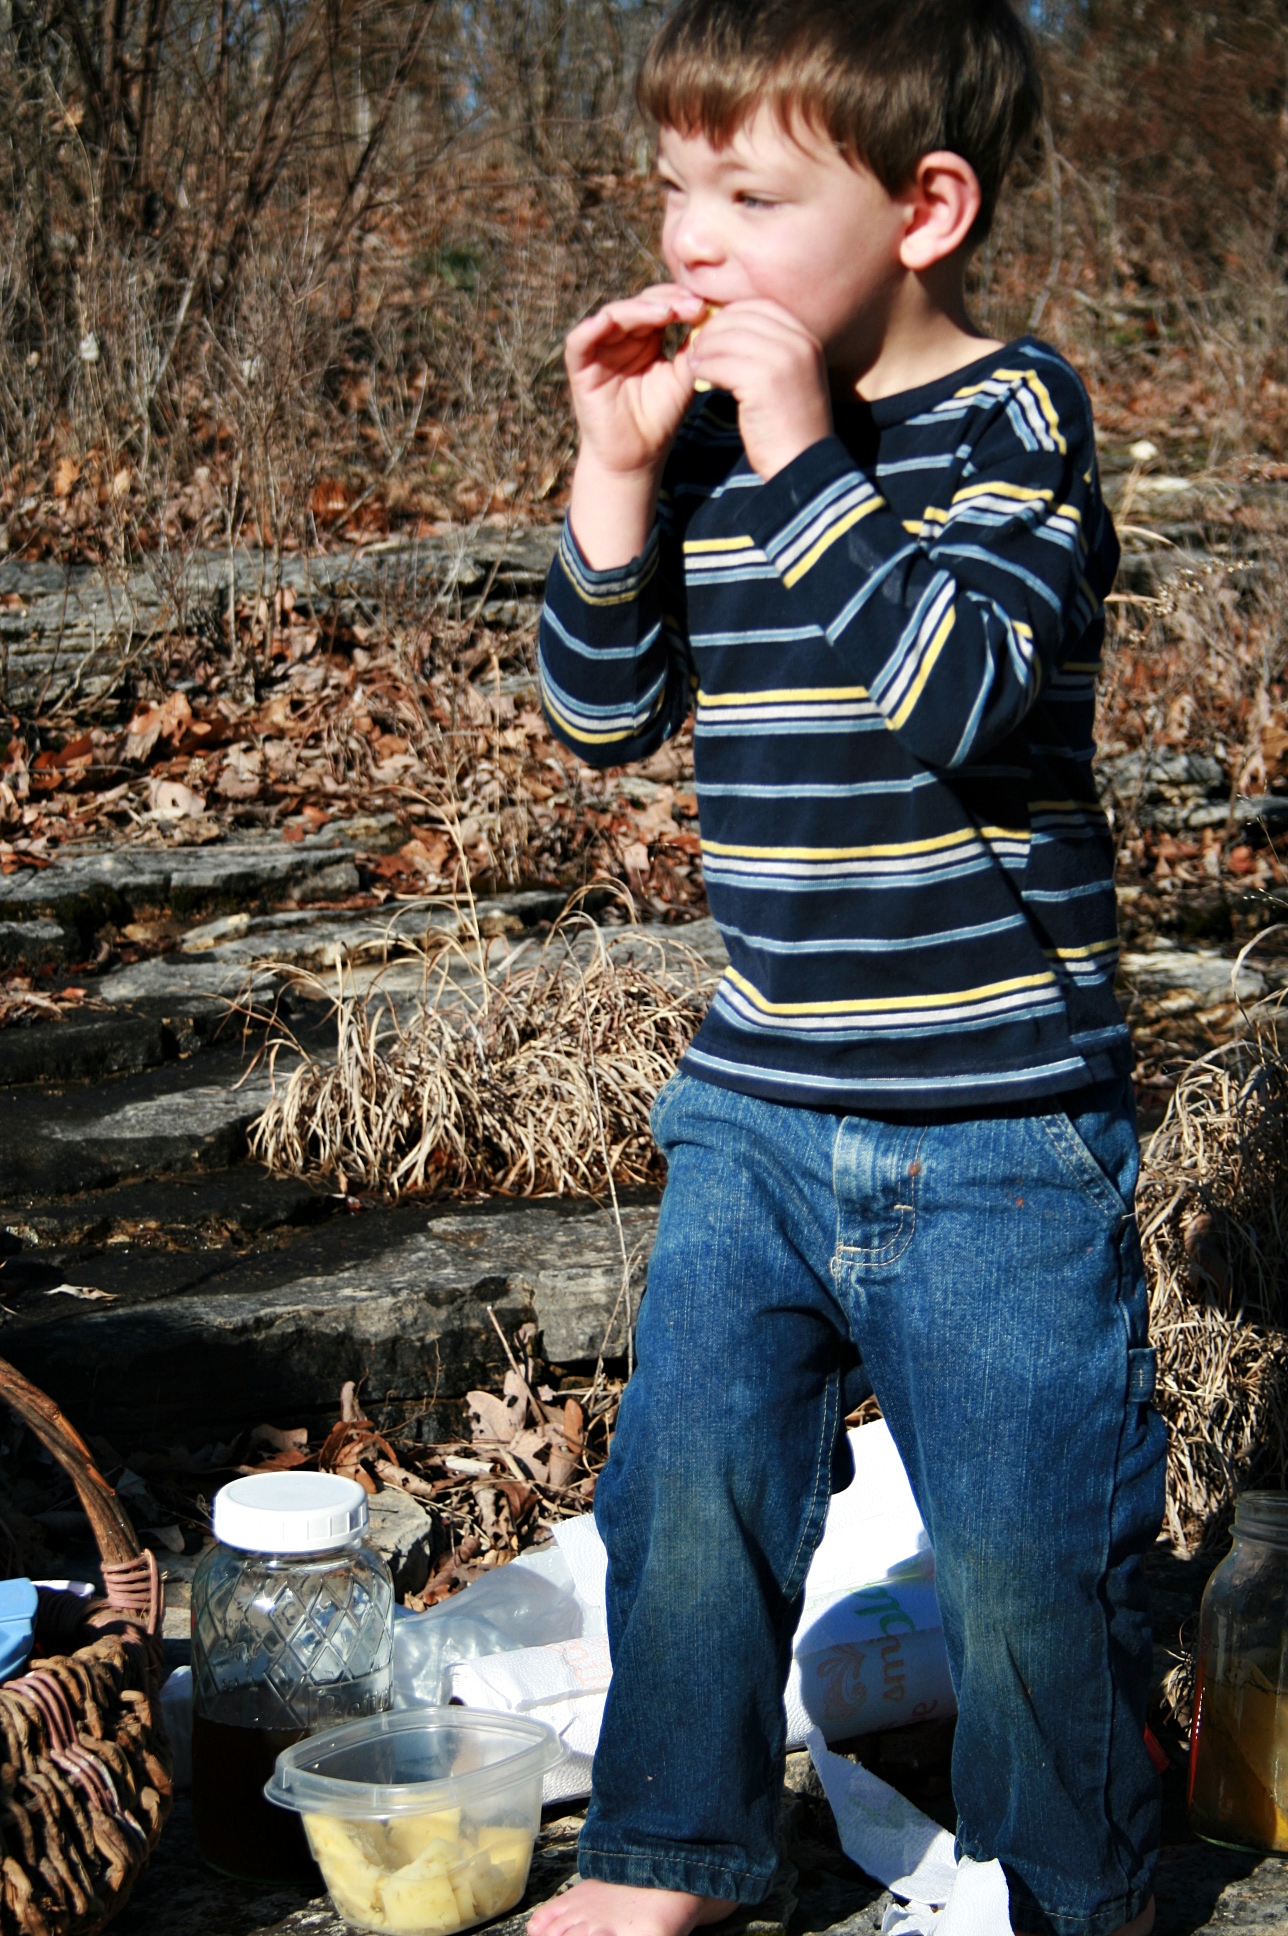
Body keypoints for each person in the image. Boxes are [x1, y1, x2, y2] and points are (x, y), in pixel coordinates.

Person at [529, 4, 1166, 1934]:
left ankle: (1082, 1882)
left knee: (1028, 1558)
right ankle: (668, 1849)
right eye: (672, 188)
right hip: (759, 1092)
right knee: (689, 1504)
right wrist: (619, 475)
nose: (691, 239)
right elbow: (602, 714)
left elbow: (956, 694)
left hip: (995, 1125)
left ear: (924, 207)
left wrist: (803, 445)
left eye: (750, 193)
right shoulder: (718, 429)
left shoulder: (1016, 423)